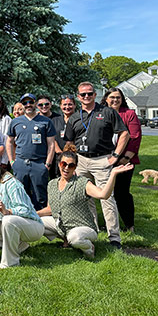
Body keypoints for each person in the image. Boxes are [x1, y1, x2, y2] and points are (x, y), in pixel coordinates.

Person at [64, 81, 130, 248]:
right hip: (81, 160)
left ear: (95, 95)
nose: (86, 96)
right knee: (85, 198)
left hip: (102, 159)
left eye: (90, 93)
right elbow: (70, 141)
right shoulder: (74, 116)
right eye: (83, 94)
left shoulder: (107, 112)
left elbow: (125, 134)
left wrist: (115, 156)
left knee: (107, 198)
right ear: (78, 97)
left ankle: (114, 237)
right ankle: (91, 231)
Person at [36, 147, 134, 259]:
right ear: (59, 164)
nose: (66, 168)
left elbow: (103, 195)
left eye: (71, 165)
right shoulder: (52, 184)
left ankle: (89, 249)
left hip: (83, 227)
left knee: (75, 238)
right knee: (36, 223)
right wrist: (33, 214)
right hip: (63, 225)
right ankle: (64, 241)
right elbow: (50, 209)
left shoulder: (82, 183)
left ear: (75, 168)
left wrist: (113, 174)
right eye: (64, 164)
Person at [0, 151, 44, 269]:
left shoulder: (11, 182)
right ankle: (19, 246)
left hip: (33, 225)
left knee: (8, 220)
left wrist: (7, 211)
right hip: (11, 223)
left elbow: (25, 210)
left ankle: (10, 261)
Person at [6, 93, 56, 210]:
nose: (28, 105)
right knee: (20, 194)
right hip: (21, 163)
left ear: (35, 103)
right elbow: (9, 142)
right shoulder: (15, 122)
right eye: (25, 103)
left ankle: (41, 222)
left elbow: (51, 144)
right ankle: (23, 220)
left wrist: (47, 164)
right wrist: (12, 161)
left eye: (30, 102)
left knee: (40, 196)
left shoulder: (45, 121)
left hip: (39, 163)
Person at [102, 87, 141, 233]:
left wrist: (124, 158)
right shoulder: (101, 113)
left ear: (122, 99)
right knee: (106, 193)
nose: (115, 100)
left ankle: (129, 225)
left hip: (124, 161)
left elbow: (135, 137)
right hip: (104, 160)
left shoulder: (129, 114)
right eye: (112, 97)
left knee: (122, 193)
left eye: (118, 97)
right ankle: (110, 224)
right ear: (106, 99)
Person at [51, 94, 76, 179]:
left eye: (70, 104)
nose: (67, 107)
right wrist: (60, 153)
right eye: (64, 104)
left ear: (74, 105)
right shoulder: (55, 120)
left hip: (74, 157)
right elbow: (52, 138)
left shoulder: (79, 119)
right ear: (60, 106)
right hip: (58, 157)